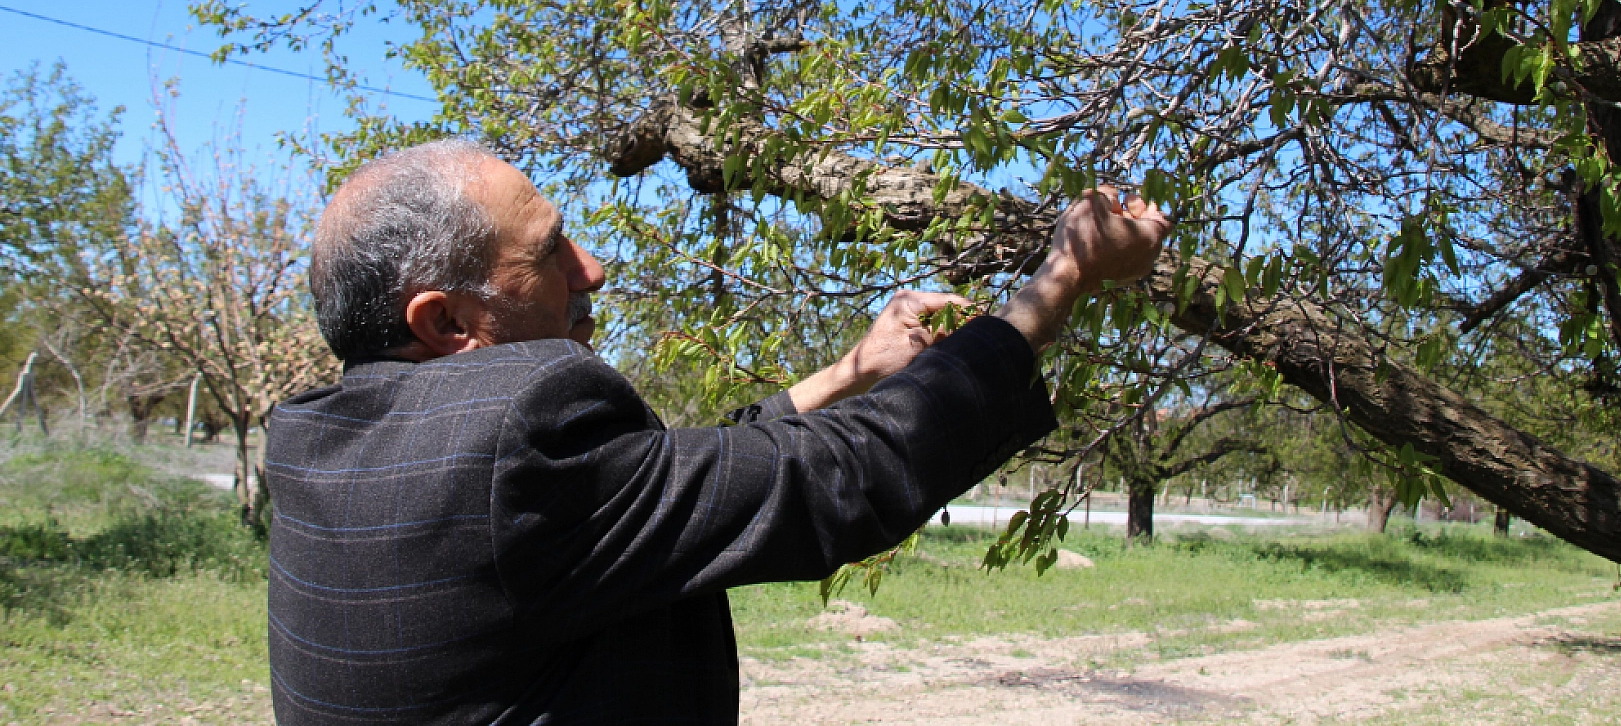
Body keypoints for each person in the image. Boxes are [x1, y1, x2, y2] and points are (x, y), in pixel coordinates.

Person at [267, 139, 1171, 725]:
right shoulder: (519, 441)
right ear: (449, 323)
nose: (594, 266)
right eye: (549, 251)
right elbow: (835, 481)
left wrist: (851, 372)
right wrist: (1061, 282)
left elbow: (661, 487)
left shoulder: (319, 439)